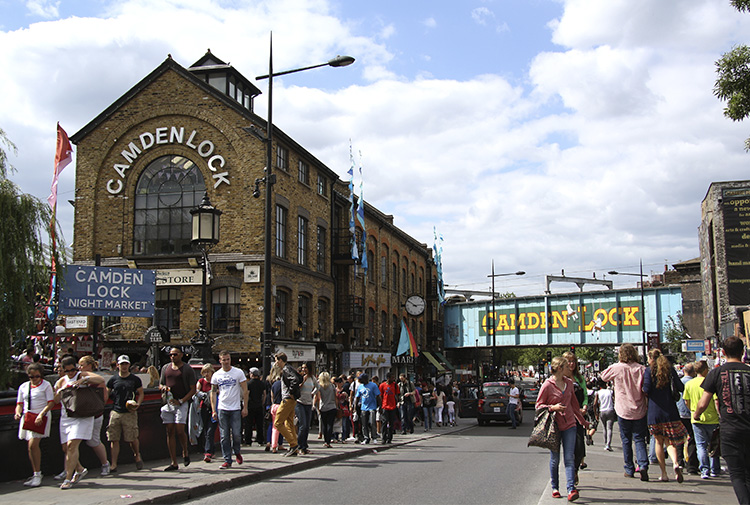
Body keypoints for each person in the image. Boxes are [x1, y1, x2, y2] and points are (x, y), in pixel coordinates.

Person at [694, 336, 750, 504]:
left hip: (730, 430)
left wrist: (696, 414)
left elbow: (703, 403)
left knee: (737, 474)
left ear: (723, 352)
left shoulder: (716, 373)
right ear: (743, 352)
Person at [536, 356, 589, 502]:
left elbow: (574, 405)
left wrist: (583, 422)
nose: (569, 368)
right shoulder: (547, 385)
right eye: (566, 366)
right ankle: (555, 487)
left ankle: (571, 489)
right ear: (560, 368)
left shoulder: (570, 383)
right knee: (555, 458)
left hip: (570, 424)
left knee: (569, 458)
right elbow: (538, 406)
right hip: (554, 426)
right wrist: (553, 407)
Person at [54, 355, 106, 489]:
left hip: (83, 415)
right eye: (67, 371)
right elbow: (55, 400)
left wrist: (84, 379)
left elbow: (100, 379)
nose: (71, 373)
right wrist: (59, 392)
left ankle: (68, 479)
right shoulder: (61, 381)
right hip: (67, 416)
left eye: (73, 370)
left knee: (72, 445)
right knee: (66, 448)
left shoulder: (81, 375)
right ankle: (80, 469)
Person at [600, 343, 650, 481]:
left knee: (626, 440)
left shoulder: (617, 368)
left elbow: (603, 376)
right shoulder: (642, 369)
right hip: (639, 408)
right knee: (640, 439)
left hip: (623, 410)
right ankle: (643, 464)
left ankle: (629, 468)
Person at [643, 348, 687, 482]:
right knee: (670, 441)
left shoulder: (649, 371)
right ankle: (675, 463)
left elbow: (646, 389)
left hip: (655, 411)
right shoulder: (670, 370)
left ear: (651, 358)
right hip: (670, 411)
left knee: (658, 441)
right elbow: (680, 387)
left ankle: (664, 473)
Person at [15, 362, 55, 487]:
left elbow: (51, 403)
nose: (34, 379)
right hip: (28, 417)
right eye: (31, 377)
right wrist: (17, 413)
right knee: (30, 446)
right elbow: (19, 403)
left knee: (33, 444)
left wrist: (41, 414)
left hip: (40, 416)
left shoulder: (46, 385)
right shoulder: (23, 387)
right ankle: (35, 473)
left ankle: (38, 474)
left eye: (37, 376)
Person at [72, 355, 111, 477]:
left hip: (94, 414)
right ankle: (72, 467)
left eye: (82, 365)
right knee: (72, 442)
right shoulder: (78, 376)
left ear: (89, 366)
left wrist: (85, 380)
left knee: (93, 440)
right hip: (82, 414)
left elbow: (102, 387)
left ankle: (105, 463)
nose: (79, 367)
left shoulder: (91, 378)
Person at [158, 347, 196, 471]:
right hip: (168, 402)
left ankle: (185, 451)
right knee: (169, 431)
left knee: (180, 429)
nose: (172, 357)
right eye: (171, 355)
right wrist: (163, 387)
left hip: (181, 402)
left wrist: (182, 400)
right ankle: (174, 462)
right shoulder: (165, 368)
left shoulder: (187, 369)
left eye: (175, 354)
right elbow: (160, 383)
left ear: (181, 355)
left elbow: (193, 389)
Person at [106, 354, 144, 473]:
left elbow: (141, 393)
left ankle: (137, 454)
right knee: (114, 438)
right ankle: (113, 464)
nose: (124, 366)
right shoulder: (113, 380)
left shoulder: (134, 379)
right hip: (116, 410)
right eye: (122, 364)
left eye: (126, 364)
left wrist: (138, 404)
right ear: (118, 365)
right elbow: (107, 393)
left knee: (132, 437)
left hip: (129, 411)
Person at [210, 350, 248, 469]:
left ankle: (237, 451)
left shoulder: (238, 373)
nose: (226, 362)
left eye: (228, 359)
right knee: (224, 435)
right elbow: (212, 392)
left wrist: (245, 407)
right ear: (220, 360)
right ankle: (227, 459)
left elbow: (245, 391)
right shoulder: (216, 375)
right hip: (222, 407)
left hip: (235, 407)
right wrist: (213, 410)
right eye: (224, 360)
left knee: (236, 434)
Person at [683, 360, 720, 479]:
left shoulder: (689, 384)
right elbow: (716, 401)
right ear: (705, 370)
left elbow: (686, 401)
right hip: (712, 418)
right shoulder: (710, 382)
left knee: (701, 445)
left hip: (696, 418)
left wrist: (693, 410)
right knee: (713, 445)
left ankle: (704, 470)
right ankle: (715, 469)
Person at [274, 352, 303, 457]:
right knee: (289, 423)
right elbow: (299, 378)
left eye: (277, 360)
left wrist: (291, 392)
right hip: (291, 399)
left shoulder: (286, 369)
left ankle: (293, 444)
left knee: (278, 422)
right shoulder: (289, 368)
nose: (276, 363)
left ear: (281, 360)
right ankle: (294, 448)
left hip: (287, 399)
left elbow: (295, 380)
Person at [676, 362, 699, 474]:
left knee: (679, 438)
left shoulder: (679, 382)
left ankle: (679, 462)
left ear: (684, 371)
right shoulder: (695, 383)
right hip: (692, 414)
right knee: (692, 439)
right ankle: (692, 466)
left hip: (680, 413)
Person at [196, 364, 218, 462]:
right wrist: (204, 395)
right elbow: (196, 392)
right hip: (204, 407)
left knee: (210, 430)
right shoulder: (201, 381)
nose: (206, 374)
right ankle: (211, 450)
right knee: (206, 430)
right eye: (204, 372)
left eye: (208, 372)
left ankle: (208, 452)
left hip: (214, 408)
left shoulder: (215, 382)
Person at [295, 362, 318, 455]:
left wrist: (313, 393)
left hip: (308, 403)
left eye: (305, 368)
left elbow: (318, 387)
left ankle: (304, 446)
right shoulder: (299, 377)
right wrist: (302, 381)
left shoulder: (312, 378)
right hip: (299, 402)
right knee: (303, 425)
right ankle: (299, 446)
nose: (304, 370)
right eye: (303, 368)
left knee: (307, 426)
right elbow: (296, 388)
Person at [354, 373, 381, 444]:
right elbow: (357, 397)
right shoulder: (360, 387)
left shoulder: (373, 385)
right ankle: (366, 438)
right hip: (363, 407)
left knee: (372, 422)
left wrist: (380, 406)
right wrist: (355, 407)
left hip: (372, 406)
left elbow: (378, 396)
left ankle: (374, 437)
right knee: (364, 424)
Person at [315, 371, 338, 448]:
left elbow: (317, 397)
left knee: (324, 425)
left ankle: (325, 441)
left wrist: (317, 407)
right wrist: (337, 406)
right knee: (330, 424)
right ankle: (328, 441)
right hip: (332, 407)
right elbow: (335, 397)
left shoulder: (319, 386)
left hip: (323, 407)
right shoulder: (332, 386)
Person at [245, 367, 266, 447]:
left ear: (252, 374)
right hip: (259, 405)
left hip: (250, 405)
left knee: (249, 424)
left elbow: (247, 394)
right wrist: (262, 402)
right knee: (259, 424)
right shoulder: (262, 383)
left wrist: (245, 405)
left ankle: (248, 440)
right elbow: (264, 394)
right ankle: (260, 440)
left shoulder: (249, 384)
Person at [379, 373, 400, 444]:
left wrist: (398, 403)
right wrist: (380, 406)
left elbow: (397, 395)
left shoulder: (395, 385)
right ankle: (383, 438)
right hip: (385, 406)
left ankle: (389, 438)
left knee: (391, 423)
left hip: (393, 406)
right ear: (388, 378)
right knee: (384, 422)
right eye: (392, 377)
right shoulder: (382, 385)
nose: (393, 379)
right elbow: (380, 396)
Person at [267, 364, 284, 453]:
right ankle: (277, 444)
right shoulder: (282, 384)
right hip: (281, 406)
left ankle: (271, 443)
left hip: (273, 406)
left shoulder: (271, 383)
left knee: (273, 425)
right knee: (280, 426)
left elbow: (271, 396)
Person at [595, 380, 616, 451]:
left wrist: (596, 413)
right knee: (609, 428)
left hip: (602, 410)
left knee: (604, 428)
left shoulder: (598, 392)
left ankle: (605, 443)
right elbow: (614, 399)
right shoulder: (610, 391)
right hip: (610, 409)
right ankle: (608, 444)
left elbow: (595, 403)